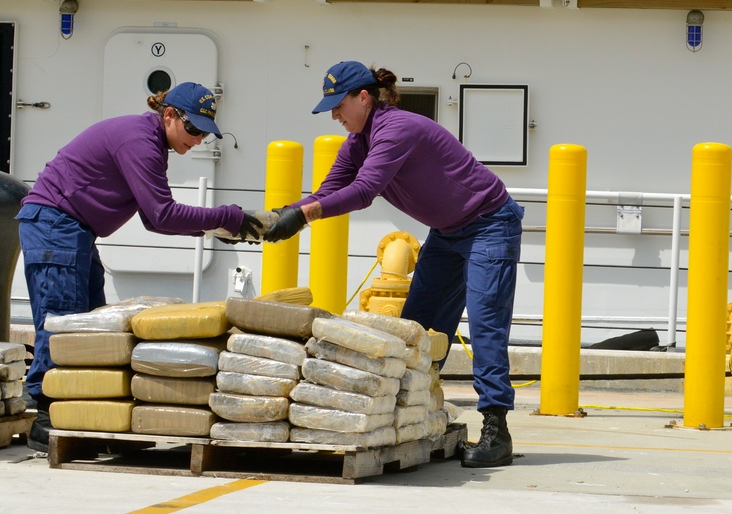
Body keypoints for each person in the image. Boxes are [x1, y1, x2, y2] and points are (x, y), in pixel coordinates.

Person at [264, 60, 523, 468]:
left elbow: (365, 190)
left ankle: (496, 429)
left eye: (338, 105)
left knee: (486, 322)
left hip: (490, 223)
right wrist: (280, 215)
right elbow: (328, 190)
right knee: (418, 327)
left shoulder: (397, 128)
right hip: (448, 230)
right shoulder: (359, 141)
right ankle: (418, 414)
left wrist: (305, 215)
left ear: (363, 98)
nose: (334, 115)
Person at [17, 82, 263, 452]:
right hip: (55, 225)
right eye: (192, 129)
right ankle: (49, 419)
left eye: (204, 133)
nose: (197, 140)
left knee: (91, 331)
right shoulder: (139, 142)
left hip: (72, 228)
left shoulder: (149, 142)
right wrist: (229, 217)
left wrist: (219, 226)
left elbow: (155, 218)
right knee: (66, 325)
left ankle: (86, 415)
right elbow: (161, 214)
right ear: (169, 115)